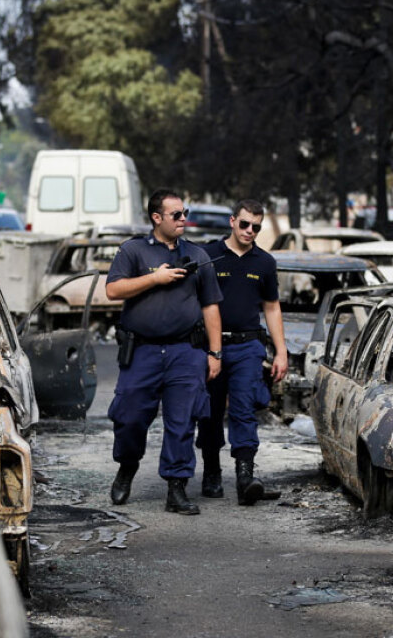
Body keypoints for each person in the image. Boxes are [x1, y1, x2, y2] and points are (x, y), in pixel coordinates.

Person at [105, 189, 223, 515]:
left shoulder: (197, 255)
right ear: (157, 218)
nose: (183, 219)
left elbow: (211, 306)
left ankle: (177, 487)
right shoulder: (133, 251)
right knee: (129, 416)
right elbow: (113, 289)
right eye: (176, 215)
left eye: (185, 213)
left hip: (186, 351)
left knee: (183, 420)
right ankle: (127, 466)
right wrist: (154, 278)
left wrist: (215, 353)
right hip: (142, 350)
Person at [197, 199, 288, 505]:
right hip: (210, 347)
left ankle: (245, 477)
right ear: (233, 221)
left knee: (244, 409)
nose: (250, 231)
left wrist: (281, 352)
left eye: (256, 227)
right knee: (208, 411)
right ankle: (211, 472)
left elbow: (272, 308)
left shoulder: (264, 262)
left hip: (247, 347)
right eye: (245, 224)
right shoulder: (208, 255)